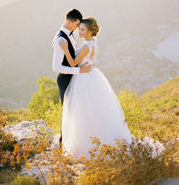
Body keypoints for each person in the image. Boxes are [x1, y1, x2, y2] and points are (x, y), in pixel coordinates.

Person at [59, 17, 164, 159]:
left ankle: (87, 143)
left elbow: (72, 64)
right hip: (92, 76)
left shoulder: (85, 47)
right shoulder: (93, 42)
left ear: (90, 31)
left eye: (82, 29)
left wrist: (65, 48)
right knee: (94, 109)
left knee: (84, 109)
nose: (79, 31)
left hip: (83, 79)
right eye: (80, 28)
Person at [52, 9, 92, 146]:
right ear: (70, 22)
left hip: (73, 78)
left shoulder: (69, 35)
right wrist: (78, 70)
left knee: (76, 110)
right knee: (68, 111)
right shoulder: (61, 39)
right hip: (65, 79)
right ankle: (64, 143)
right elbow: (56, 67)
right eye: (77, 25)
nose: (78, 28)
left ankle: (76, 140)